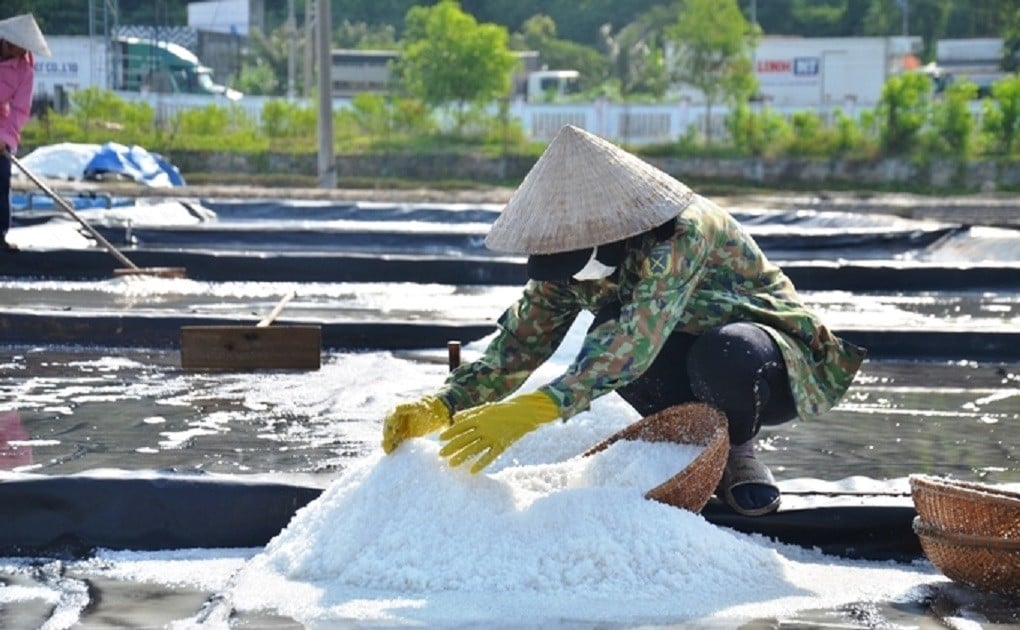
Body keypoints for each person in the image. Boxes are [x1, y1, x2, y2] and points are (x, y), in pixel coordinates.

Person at [382, 124, 865, 517]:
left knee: (720, 354)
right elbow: (520, 345)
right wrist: (446, 403)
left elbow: (634, 341)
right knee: (603, 333)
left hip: (767, 361)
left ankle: (737, 453)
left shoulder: (681, 233)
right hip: (674, 349)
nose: (562, 276)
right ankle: (694, 451)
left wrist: (531, 411)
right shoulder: (569, 262)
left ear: (605, 233)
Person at [0, 13, 50, 252]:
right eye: (19, 48)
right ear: (7, 43)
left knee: (1, 178)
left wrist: (4, 139)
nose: (23, 53)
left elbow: (20, 110)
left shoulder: (25, 70)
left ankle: (0, 236)